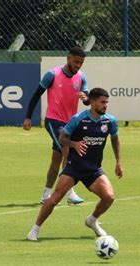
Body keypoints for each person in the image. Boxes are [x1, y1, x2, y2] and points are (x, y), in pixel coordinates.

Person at [27, 88, 123, 241]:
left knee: (109, 197)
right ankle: (34, 229)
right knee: (54, 199)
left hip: (93, 170)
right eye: (102, 102)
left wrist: (118, 162)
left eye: (107, 102)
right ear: (92, 102)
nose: (105, 105)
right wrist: (74, 144)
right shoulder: (78, 119)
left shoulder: (109, 121)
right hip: (74, 167)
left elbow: (115, 139)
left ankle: (92, 220)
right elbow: (62, 138)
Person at [23, 46, 90, 205]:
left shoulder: (81, 77)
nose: (78, 65)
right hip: (53, 121)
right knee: (69, 153)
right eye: (76, 62)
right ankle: (70, 193)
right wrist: (28, 117)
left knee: (56, 160)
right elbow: (36, 95)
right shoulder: (52, 75)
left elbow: (87, 100)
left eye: (81, 63)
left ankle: (46, 195)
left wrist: (85, 98)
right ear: (68, 58)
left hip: (70, 123)